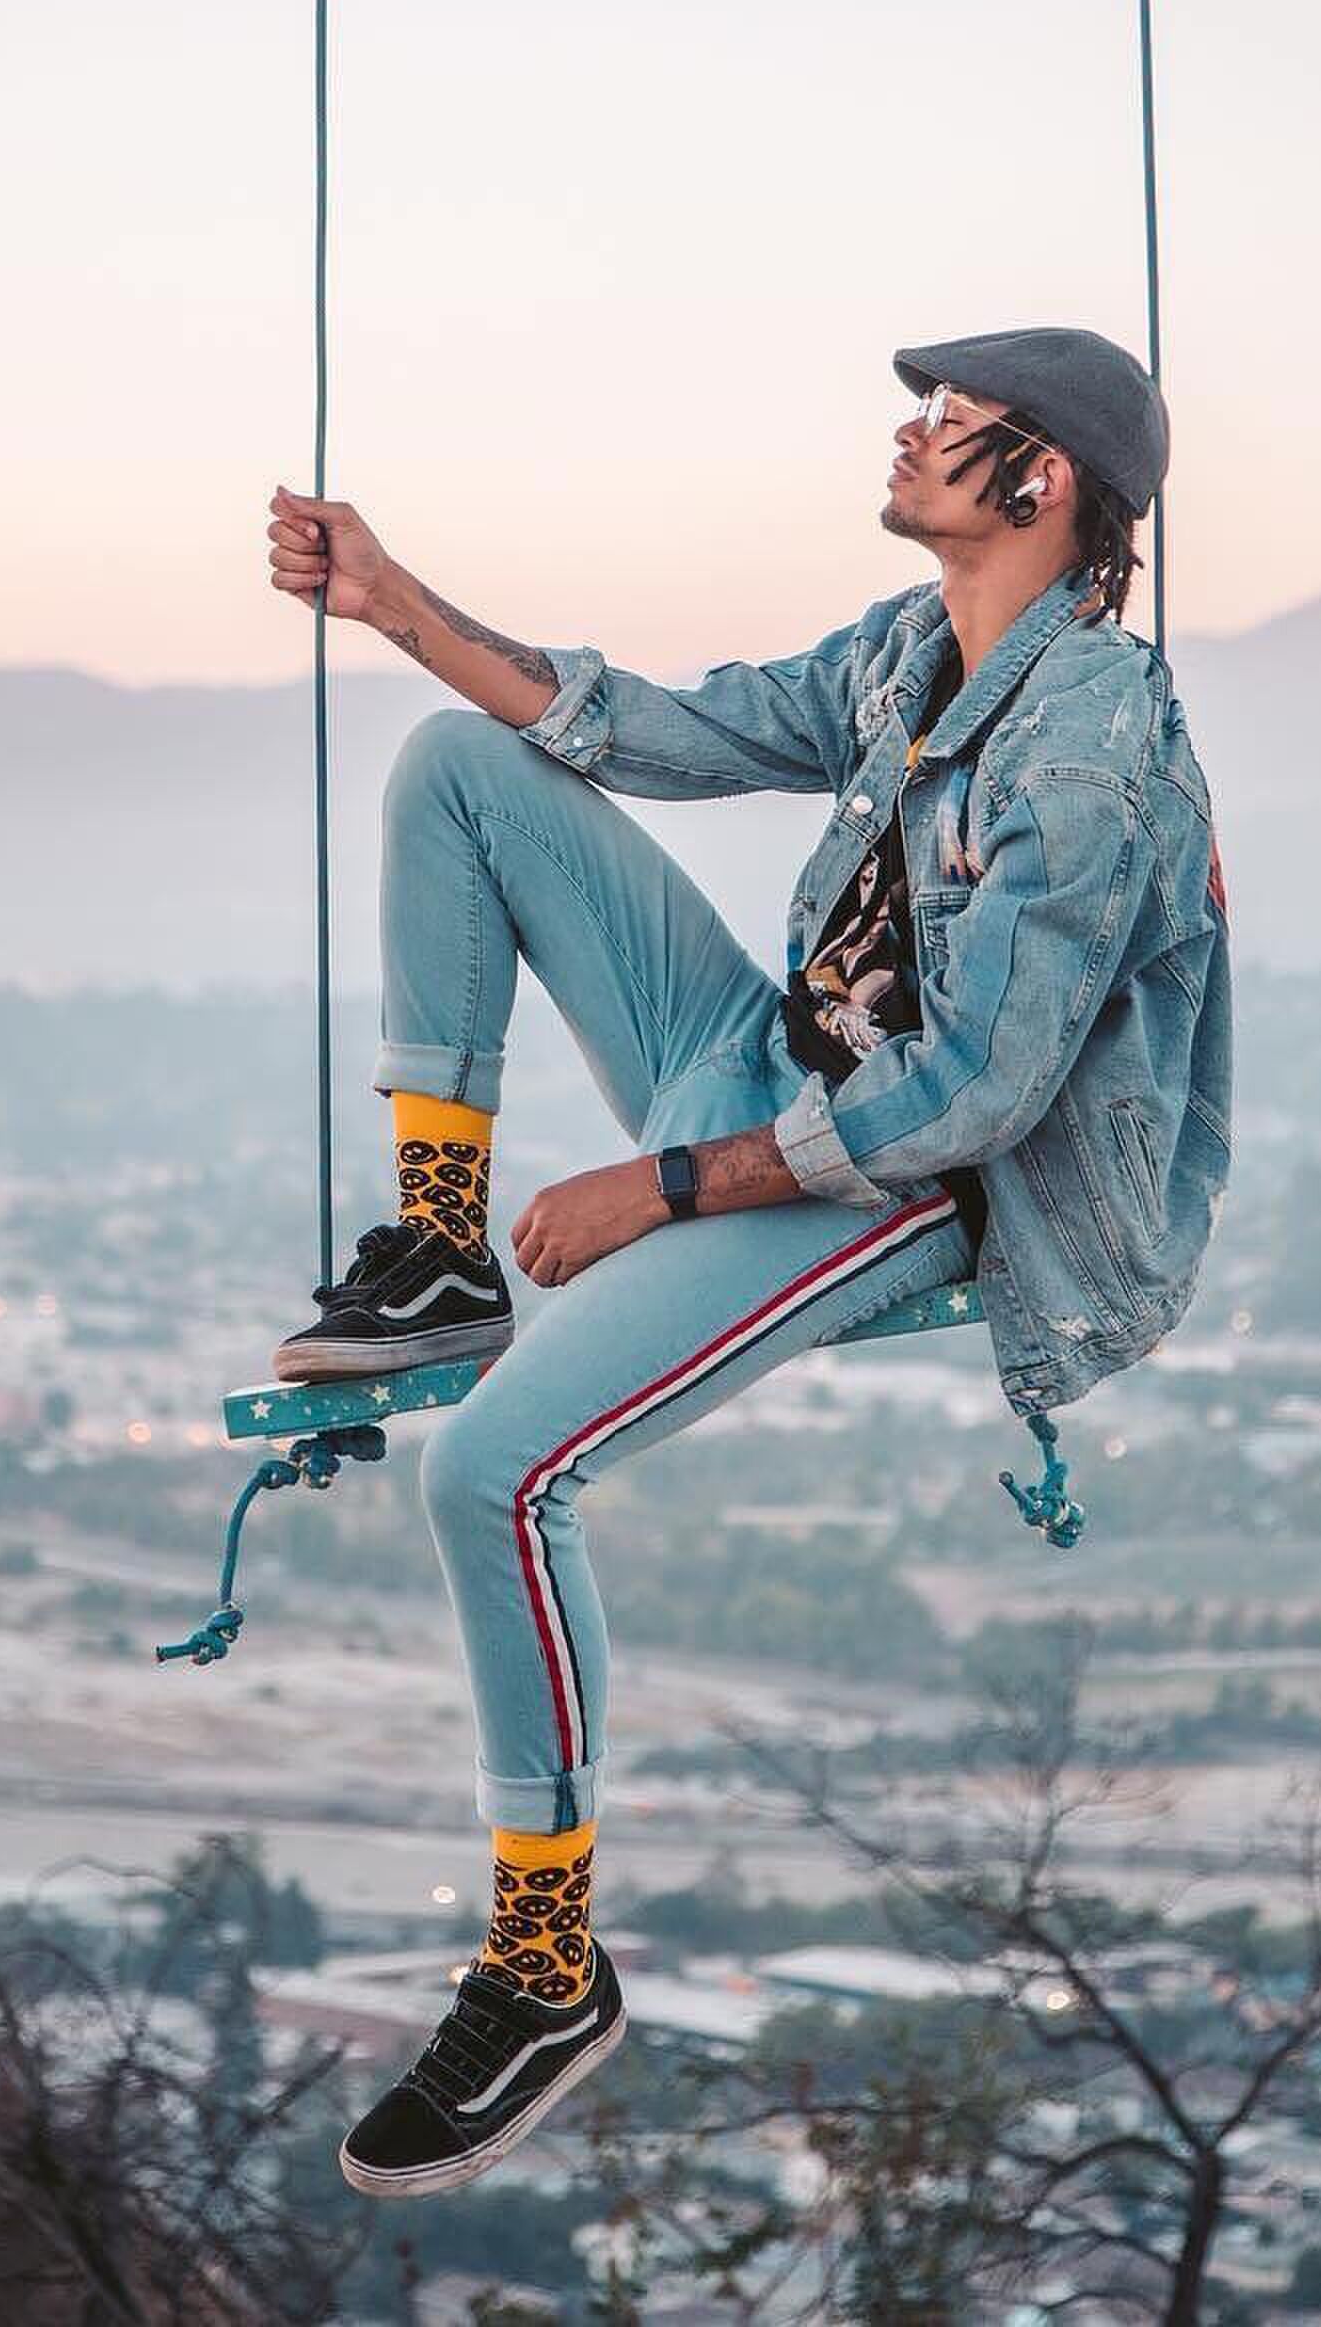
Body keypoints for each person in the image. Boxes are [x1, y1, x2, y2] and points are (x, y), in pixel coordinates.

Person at [262, 326, 1232, 2198]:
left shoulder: (1095, 737)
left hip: (887, 1181)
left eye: (954, 422)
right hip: (773, 1068)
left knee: (493, 1472)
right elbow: (645, 727)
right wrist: (390, 599)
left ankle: (545, 1960)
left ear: (1043, 484)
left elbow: (978, 1088)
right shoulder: (908, 649)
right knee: (459, 765)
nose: (911, 428)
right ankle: (441, 1247)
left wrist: (658, 1188)